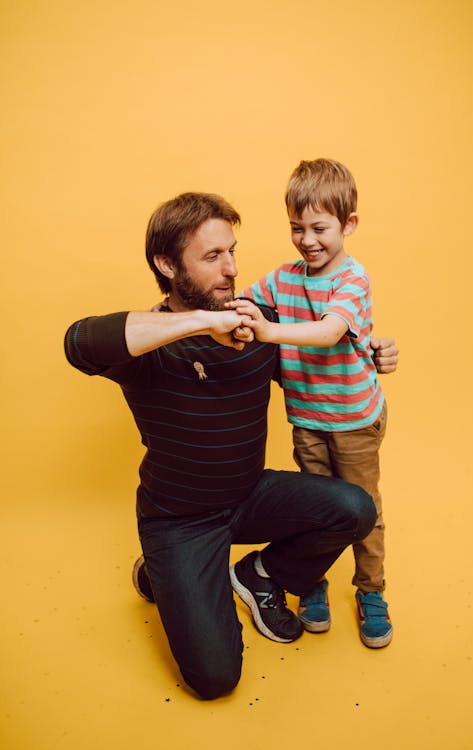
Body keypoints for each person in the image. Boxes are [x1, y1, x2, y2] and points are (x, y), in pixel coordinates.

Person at [64, 191, 397, 700]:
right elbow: (78, 342)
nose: (232, 269)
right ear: (167, 264)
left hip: (250, 495)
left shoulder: (256, 324)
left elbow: (316, 367)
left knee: (353, 507)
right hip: (179, 519)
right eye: (213, 257)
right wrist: (201, 320)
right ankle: (161, 572)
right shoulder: (147, 347)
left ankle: (258, 574)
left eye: (233, 252)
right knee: (216, 679)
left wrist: (371, 352)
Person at [229, 159, 393, 648]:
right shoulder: (282, 279)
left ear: (349, 225)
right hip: (307, 421)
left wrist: (267, 331)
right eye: (296, 228)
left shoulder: (353, 279)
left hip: (355, 421)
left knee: (366, 509)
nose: (307, 240)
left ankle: (371, 590)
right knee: (316, 509)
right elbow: (239, 302)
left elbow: (329, 331)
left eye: (319, 228)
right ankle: (308, 583)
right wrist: (180, 314)